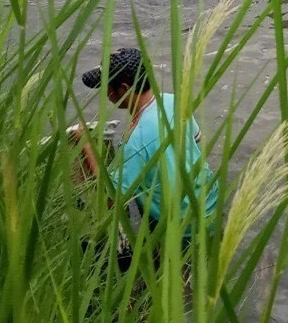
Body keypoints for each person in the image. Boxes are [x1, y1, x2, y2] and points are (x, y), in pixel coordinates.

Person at [71, 48, 219, 241]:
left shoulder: (136, 142)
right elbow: (196, 141)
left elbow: (112, 201)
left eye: (107, 86)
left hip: (183, 226)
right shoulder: (172, 101)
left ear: (123, 89)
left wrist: (86, 145)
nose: (105, 92)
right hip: (209, 202)